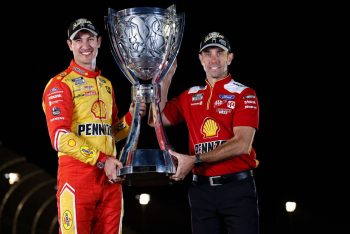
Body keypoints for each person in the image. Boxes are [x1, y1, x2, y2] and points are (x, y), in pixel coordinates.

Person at [42, 18, 146, 233]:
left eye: (90, 39)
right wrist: (102, 160)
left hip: (110, 178)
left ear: (99, 42)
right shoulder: (60, 84)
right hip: (78, 176)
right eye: (78, 40)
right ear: (70, 45)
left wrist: (131, 117)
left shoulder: (106, 84)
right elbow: (59, 137)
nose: (85, 45)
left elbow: (111, 134)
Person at [153, 32, 260, 234]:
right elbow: (156, 120)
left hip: (237, 188)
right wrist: (166, 79)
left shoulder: (244, 93)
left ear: (229, 58)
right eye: (208, 53)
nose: (213, 59)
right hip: (201, 190)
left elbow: (242, 144)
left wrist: (195, 159)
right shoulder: (191, 94)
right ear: (201, 59)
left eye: (220, 53)